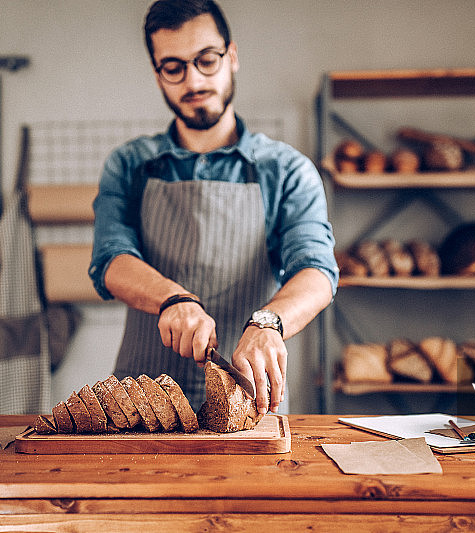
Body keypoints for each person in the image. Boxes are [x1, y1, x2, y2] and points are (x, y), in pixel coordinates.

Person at [89, 0, 338, 415]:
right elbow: (111, 260)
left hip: (247, 401)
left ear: (231, 56)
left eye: (206, 60)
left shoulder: (286, 170)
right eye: (174, 67)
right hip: (140, 406)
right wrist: (173, 299)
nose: (194, 80)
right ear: (157, 74)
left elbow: (316, 270)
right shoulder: (129, 164)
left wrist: (269, 322)